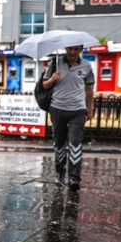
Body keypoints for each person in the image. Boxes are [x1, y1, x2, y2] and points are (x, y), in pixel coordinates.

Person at [41, 45, 95, 191]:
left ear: (81, 49)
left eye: (76, 49)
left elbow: (89, 89)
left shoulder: (86, 66)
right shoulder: (55, 63)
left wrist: (90, 108)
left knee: (75, 144)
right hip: (57, 109)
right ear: (65, 48)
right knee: (59, 143)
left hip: (77, 110)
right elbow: (44, 85)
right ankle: (59, 172)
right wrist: (52, 79)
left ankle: (74, 178)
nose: (72, 52)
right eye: (70, 49)